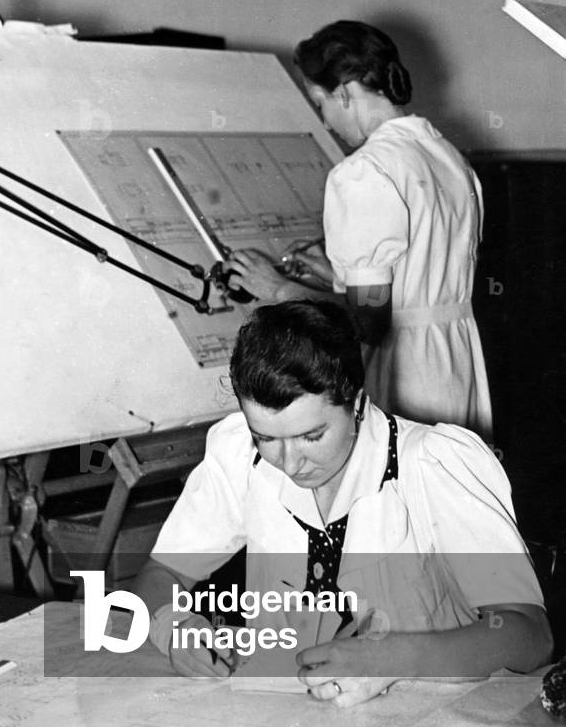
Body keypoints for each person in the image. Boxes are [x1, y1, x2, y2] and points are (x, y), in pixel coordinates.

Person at [133, 301, 550, 708]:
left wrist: (393, 658)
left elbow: (530, 636)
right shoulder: (238, 452)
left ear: (358, 405)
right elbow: (162, 572)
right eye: (266, 438)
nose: (289, 463)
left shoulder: (432, 464)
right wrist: (176, 627)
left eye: (311, 436)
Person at [225, 20, 492, 440]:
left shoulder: (364, 171)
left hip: (405, 372)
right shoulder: (447, 156)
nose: (326, 121)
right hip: (457, 362)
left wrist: (276, 288)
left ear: (345, 92)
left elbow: (368, 322)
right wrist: (338, 275)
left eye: (320, 103)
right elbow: (414, 276)